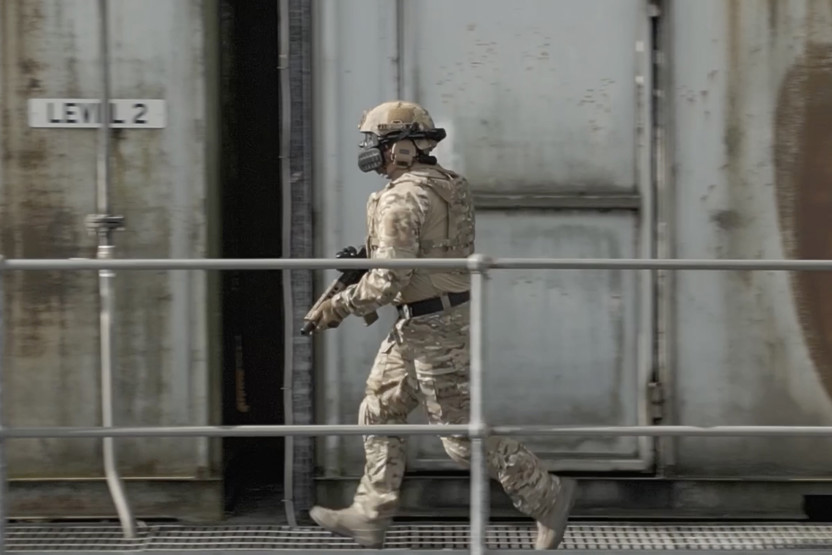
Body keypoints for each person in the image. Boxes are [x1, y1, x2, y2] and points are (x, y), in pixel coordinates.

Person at [305, 100, 576, 550]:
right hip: (433, 320)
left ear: (402, 148)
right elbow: (425, 252)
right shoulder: (449, 185)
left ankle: (548, 496)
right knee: (380, 409)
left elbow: (392, 279)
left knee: (460, 438)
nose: (373, 153)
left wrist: (338, 306)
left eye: (379, 144)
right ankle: (371, 514)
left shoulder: (400, 196)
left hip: (432, 330)